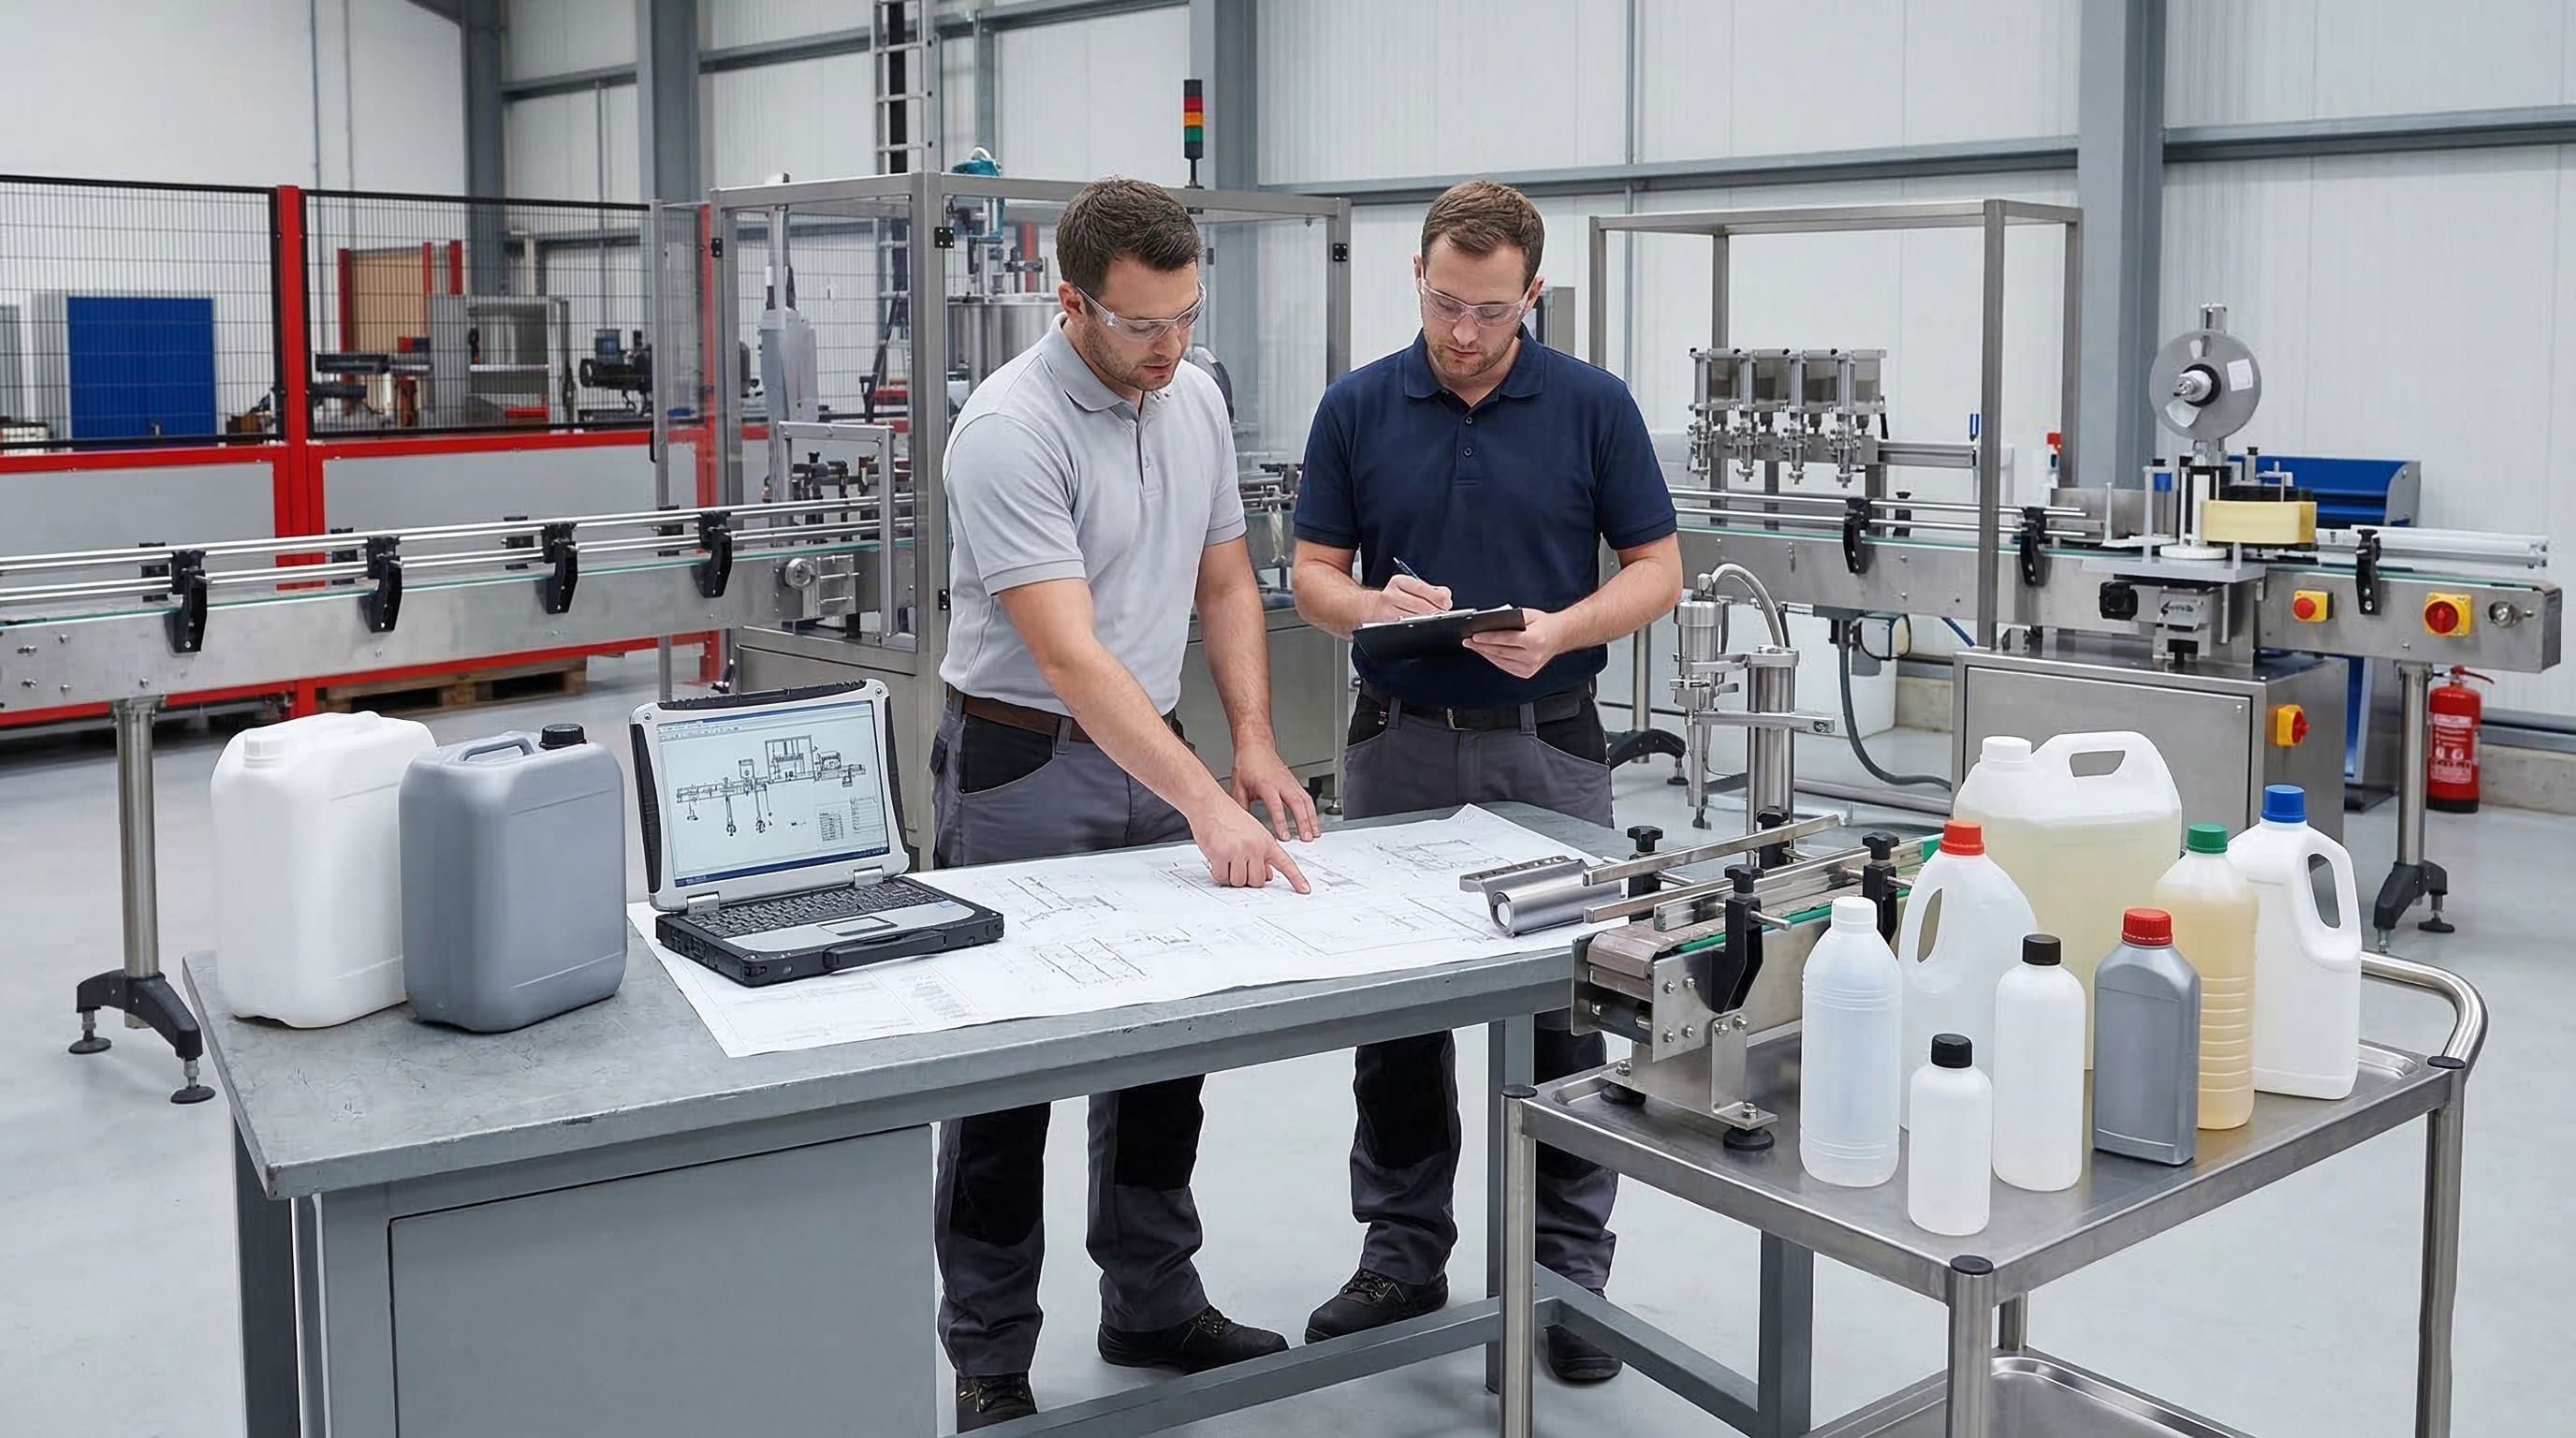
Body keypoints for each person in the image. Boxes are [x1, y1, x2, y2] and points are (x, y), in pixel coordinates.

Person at [933, 175, 1320, 1430]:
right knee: (1010, 1063)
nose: (1170, 347)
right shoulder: (1008, 428)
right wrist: (1208, 803)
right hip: (1026, 764)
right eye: (1143, 325)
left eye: (1186, 317)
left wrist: (1251, 747)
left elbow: (1221, 584)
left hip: (1153, 751)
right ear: (1074, 304)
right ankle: (991, 1356)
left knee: (1163, 1050)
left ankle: (1150, 1297)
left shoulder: (1192, 397)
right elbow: (1069, 657)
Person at [1289, 179, 1683, 1383]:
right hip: (1397, 746)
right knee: (1399, 1022)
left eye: (1492, 310)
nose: (1465, 332)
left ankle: (1568, 1276)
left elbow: (1657, 567)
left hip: (1547, 747)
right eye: (1448, 303)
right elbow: (1311, 575)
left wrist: (1563, 628)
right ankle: (1402, 1254)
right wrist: (1372, 604)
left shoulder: (1590, 406)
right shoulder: (1357, 406)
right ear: (1417, 275)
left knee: (1571, 1017)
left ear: (1534, 295)